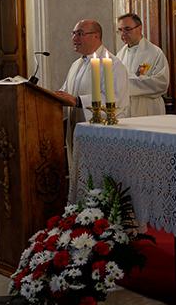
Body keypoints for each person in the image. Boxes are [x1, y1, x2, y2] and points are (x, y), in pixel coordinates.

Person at [53, 20, 130, 197]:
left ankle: (97, 216)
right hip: (76, 131)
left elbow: (116, 100)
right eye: (73, 33)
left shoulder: (112, 64)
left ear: (96, 36)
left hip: (100, 134)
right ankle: (81, 213)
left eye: (80, 33)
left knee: (97, 182)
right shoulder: (76, 65)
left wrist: (79, 101)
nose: (74, 38)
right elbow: (66, 92)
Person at [115, 13, 169, 117]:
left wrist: (126, 83)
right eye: (120, 30)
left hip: (148, 108)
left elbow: (161, 83)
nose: (123, 34)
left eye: (127, 29)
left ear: (139, 28)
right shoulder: (120, 55)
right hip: (126, 109)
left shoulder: (155, 53)